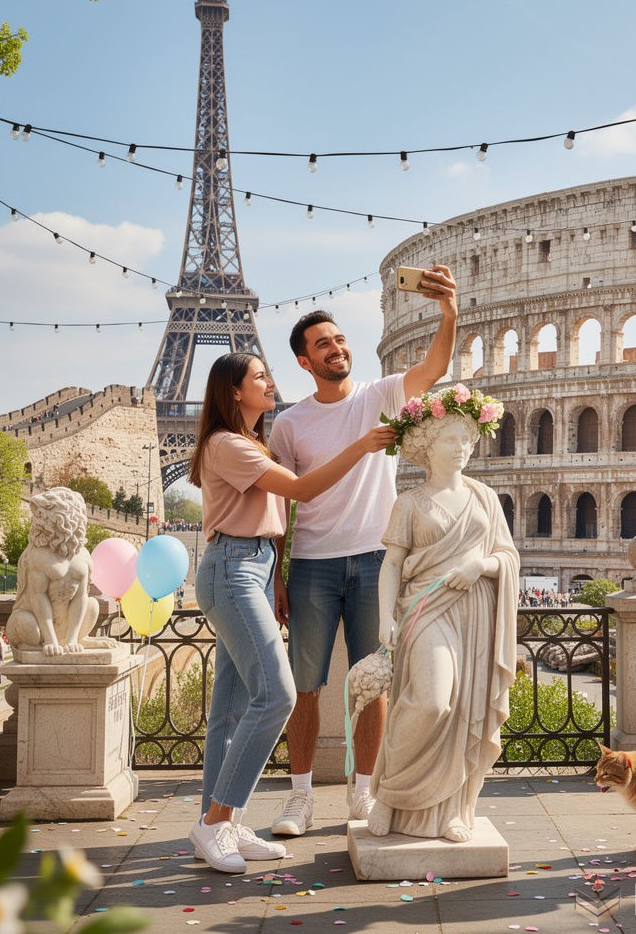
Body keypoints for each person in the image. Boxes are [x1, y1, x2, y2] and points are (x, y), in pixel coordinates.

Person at [186, 352, 395, 874]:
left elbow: (281, 516)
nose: (271, 382)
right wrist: (362, 445)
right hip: (233, 569)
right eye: (259, 376)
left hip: (252, 567)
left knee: (232, 708)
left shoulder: (250, 442)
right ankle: (216, 821)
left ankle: (223, 823)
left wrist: (275, 574)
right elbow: (301, 491)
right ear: (234, 391)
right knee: (277, 694)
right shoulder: (228, 444)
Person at [268, 265, 457, 837]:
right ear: (304, 361)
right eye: (323, 344)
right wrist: (278, 576)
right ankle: (300, 798)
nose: (337, 349)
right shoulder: (289, 424)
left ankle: (364, 792)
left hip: (376, 560)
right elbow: (283, 505)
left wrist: (448, 312)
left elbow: (434, 368)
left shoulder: (382, 394)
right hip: (312, 565)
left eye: (340, 339)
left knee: (372, 679)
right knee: (305, 687)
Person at [366, 389, 518, 842]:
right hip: (426, 607)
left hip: (475, 609)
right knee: (432, 702)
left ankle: (455, 808)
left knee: (466, 711)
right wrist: (385, 617)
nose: (461, 448)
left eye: (467, 440)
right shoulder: (410, 502)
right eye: (451, 439)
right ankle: (390, 794)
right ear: (428, 447)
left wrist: (481, 566)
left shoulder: (485, 498)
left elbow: (507, 556)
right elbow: (392, 564)